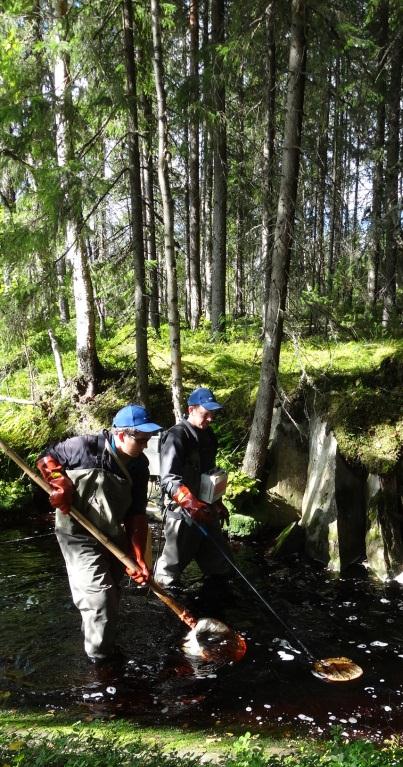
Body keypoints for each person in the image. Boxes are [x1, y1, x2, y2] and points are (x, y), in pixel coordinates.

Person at [37, 404, 162, 664]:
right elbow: (46, 459)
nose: (145, 444)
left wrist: (138, 557)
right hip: (78, 535)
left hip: (113, 534)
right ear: (120, 434)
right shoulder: (84, 447)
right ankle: (100, 665)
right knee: (100, 597)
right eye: (140, 439)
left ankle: (96, 641)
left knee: (111, 598)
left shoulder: (139, 467)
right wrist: (59, 482)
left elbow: (136, 514)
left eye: (147, 438)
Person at [154, 387, 232, 589]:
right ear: (191, 409)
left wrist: (218, 503)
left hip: (207, 508)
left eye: (212, 414)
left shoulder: (209, 436)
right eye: (206, 414)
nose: (210, 419)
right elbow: (169, 479)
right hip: (182, 511)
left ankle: (219, 600)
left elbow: (210, 474)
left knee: (220, 563)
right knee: (170, 569)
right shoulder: (176, 436)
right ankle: (164, 597)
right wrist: (191, 503)